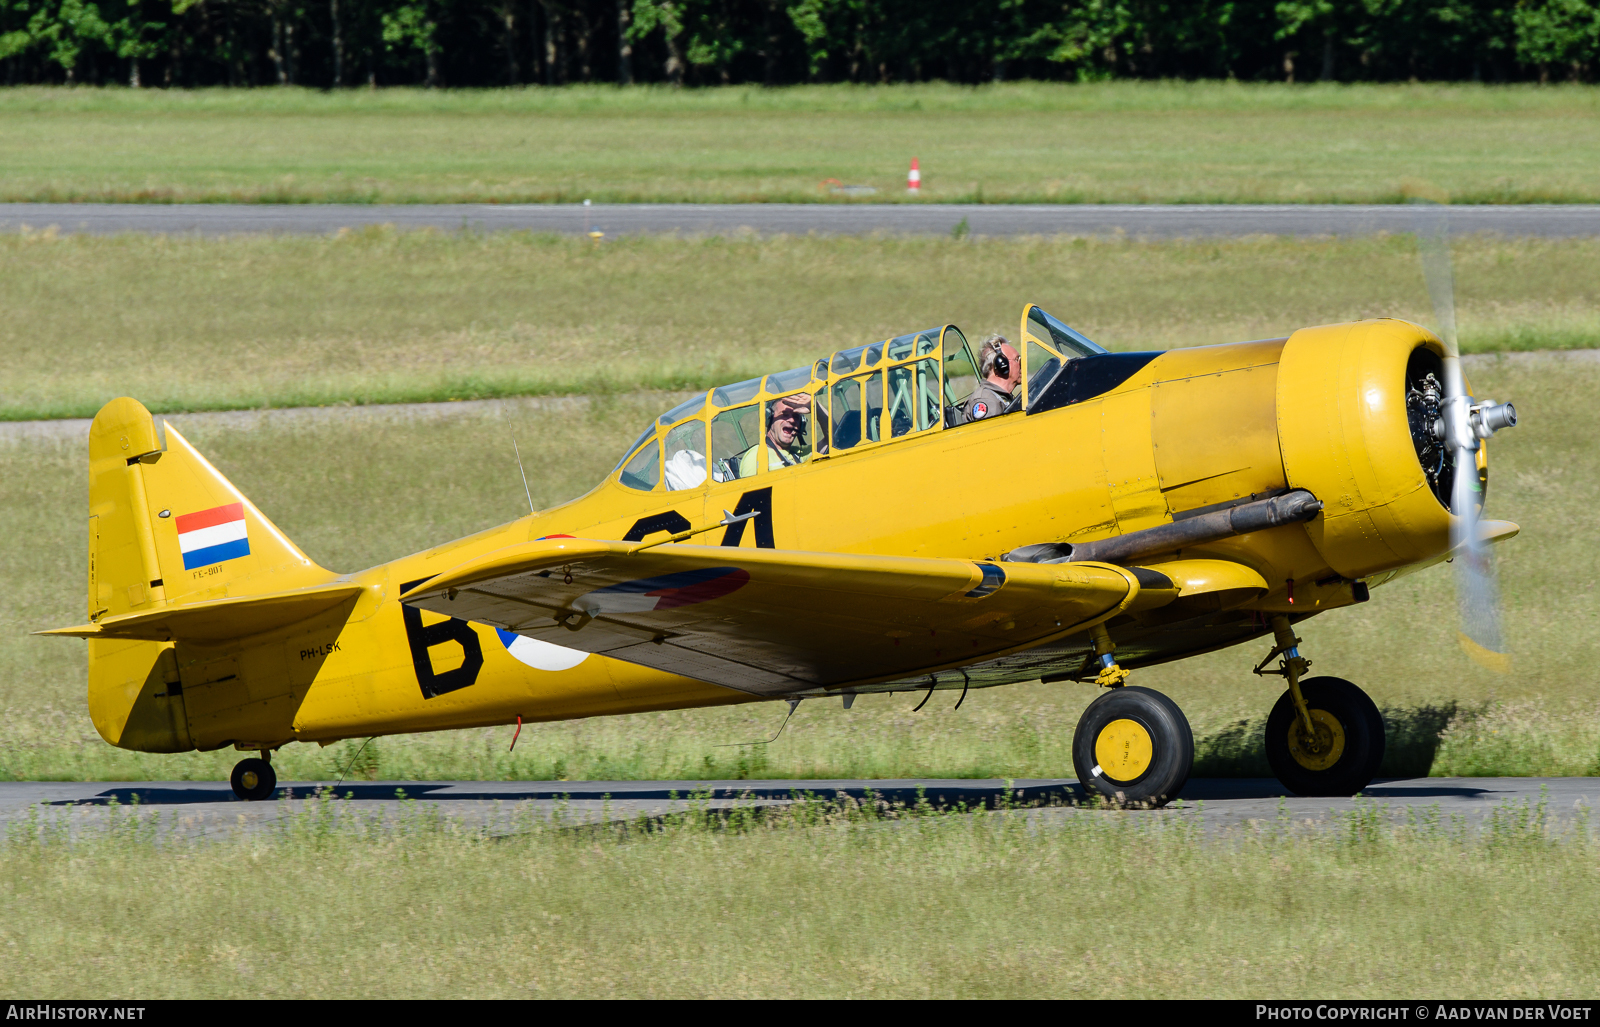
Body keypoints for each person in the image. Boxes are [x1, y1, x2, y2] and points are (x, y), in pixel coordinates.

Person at [738, 393, 812, 477]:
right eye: (785, 414)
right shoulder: (757, 454)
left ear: (802, 424)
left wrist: (814, 405)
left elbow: (829, 442)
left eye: (795, 416)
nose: (791, 420)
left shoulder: (800, 454)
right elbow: (750, 488)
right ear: (769, 418)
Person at [962, 334, 1021, 422]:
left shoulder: (1001, 398)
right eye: (1017, 359)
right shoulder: (988, 401)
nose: (1021, 364)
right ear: (1002, 365)